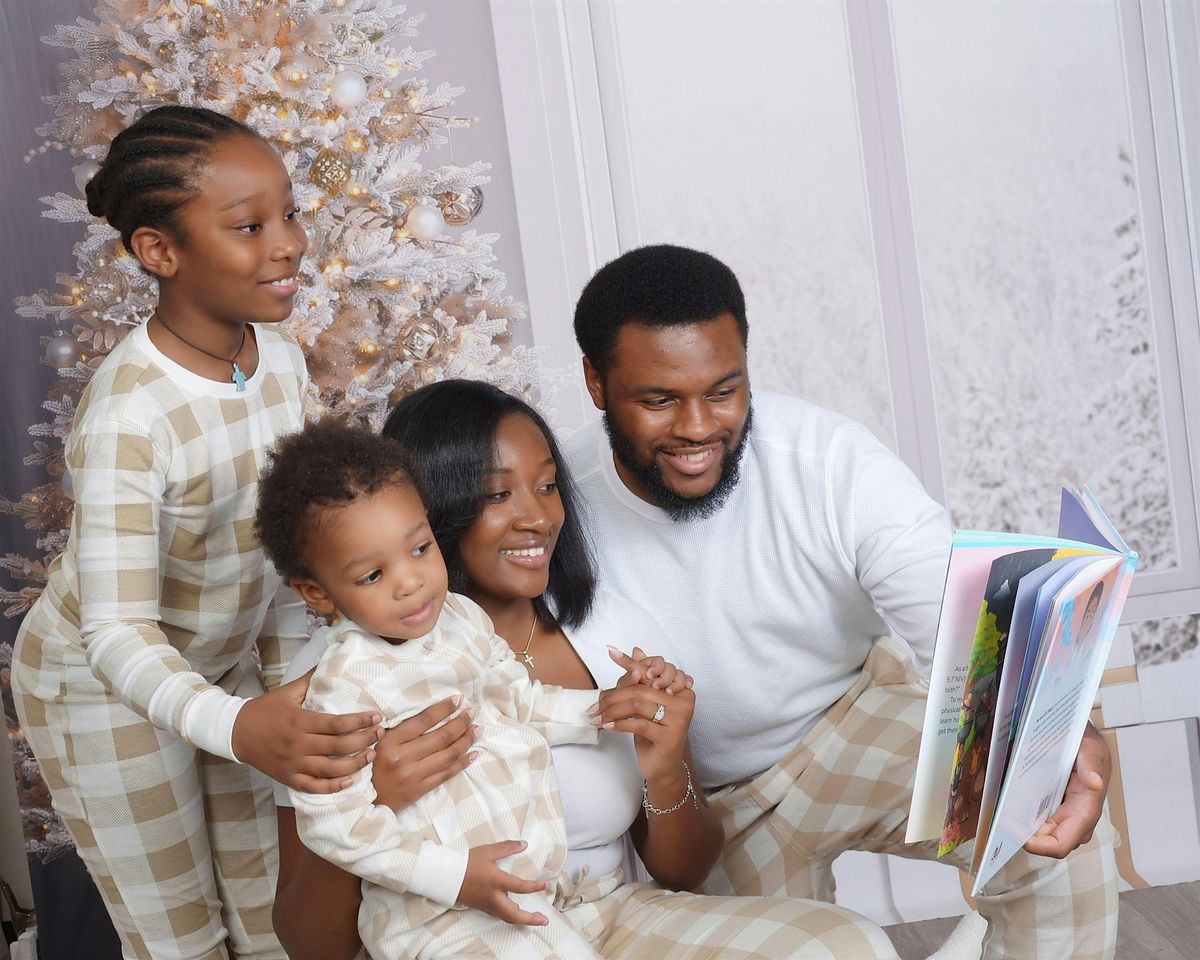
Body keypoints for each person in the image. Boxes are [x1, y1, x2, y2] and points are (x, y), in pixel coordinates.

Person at [562, 243, 1119, 959]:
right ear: (596, 382)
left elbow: (956, 613)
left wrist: (1062, 738)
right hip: (712, 807)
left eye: (724, 391)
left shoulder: (827, 459)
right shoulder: (553, 508)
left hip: (853, 719)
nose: (698, 428)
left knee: (1051, 814)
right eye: (659, 400)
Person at [271, 379, 901, 960]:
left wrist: (664, 760)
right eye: (498, 494)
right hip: (464, 930)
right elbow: (310, 946)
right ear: (431, 506)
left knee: (846, 946)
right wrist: (376, 797)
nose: (539, 517)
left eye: (548, 486)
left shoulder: (610, 630)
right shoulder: (330, 681)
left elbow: (686, 871)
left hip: (611, 913)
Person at [10, 106, 382, 960]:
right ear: (159, 251)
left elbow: (288, 552)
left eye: (290, 214)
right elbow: (116, 630)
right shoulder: (129, 416)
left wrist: (298, 698)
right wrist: (238, 726)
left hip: (222, 668)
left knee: (273, 921)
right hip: (99, 688)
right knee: (184, 942)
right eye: (250, 227)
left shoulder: (278, 360)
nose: (288, 244)